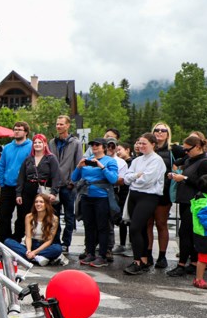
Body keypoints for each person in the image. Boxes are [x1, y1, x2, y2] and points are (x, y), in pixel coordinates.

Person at [167, 135, 207, 277]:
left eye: (188, 150)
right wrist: (176, 176)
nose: (186, 152)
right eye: (185, 150)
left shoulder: (205, 161)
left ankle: (182, 264)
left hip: (195, 202)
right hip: (186, 200)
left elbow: (205, 183)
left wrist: (184, 178)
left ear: (198, 147)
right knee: (189, 233)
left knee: (185, 233)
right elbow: (179, 162)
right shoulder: (189, 160)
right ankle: (193, 263)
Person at [122, 133, 167, 275]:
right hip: (134, 195)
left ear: (153, 144)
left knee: (135, 228)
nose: (140, 146)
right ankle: (143, 259)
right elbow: (126, 178)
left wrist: (136, 178)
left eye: (144, 143)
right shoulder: (137, 160)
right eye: (139, 143)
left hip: (149, 196)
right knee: (139, 229)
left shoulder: (157, 160)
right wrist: (136, 175)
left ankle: (138, 261)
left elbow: (147, 180)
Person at [72, 138, 119, 268]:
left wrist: (101, 166)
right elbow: (74, 178)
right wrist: (79, 166)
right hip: (86, 196)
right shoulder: (87, 159)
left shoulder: (110, 161)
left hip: (102, 197)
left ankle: (103, 255)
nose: (94, 147)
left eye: (97, 145)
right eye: (92, 145)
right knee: (89, 226)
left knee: (102, 227)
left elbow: (113, 179)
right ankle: (90, 253)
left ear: (104, 147)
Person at [48, 115, 83, 253]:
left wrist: (73, 182)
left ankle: (66, 243)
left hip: (68, 186)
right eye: (57, 124)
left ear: (68, 125)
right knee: (54, 216)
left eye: (61, 124)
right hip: (54, 186)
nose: (59, 126)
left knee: (69, 216)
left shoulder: (75, 143)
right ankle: (55, 242)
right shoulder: (52, 142)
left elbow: (79, 163)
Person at [146, 121, 178, 269]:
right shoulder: (146, 148)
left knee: (161, 224)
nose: (159, 132)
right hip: (146, 192)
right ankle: (147, 254)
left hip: (163, 193)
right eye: (156, 130)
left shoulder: (174, 150)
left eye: (163, 130)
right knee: (147, 224)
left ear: (168, 133)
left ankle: (162, 256)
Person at [3, 194, 67, 266]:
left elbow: (49, 240)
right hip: (31, 244)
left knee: (57, 248)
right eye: (36, 202)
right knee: (7, 242)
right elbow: (28, 237)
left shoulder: (54, 219)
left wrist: (34, 252)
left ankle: (29, 257)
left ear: (46, 204)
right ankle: (36, 258)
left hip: (44, 246)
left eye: (41, 202)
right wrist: (29, 250)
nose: (38, 204)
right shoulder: (29, 216)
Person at [15, 133, 61, 233]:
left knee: (45, 215)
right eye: (35, 142)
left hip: (44, 190)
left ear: (45, 144)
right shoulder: (28, 159)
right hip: (28, 190)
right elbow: (21, 177)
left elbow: (56, 177)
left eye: (40, 142)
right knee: (26, 215)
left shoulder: (51, 158)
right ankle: (25, 237)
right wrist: (18, 194)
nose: (37, 144)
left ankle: (47, 238)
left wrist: (53, 192)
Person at [0, 122, 32, 243]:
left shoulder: (31, 146)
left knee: (22, 215)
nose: (16, 131)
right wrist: (1, 182)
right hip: (7, 186)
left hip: (23, 187)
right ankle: (4, 240)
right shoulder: (7, 147)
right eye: (15, 129)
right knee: (4, 215)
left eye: (20, 129)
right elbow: (1, 165)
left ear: (26, 132)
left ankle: (16, 238)